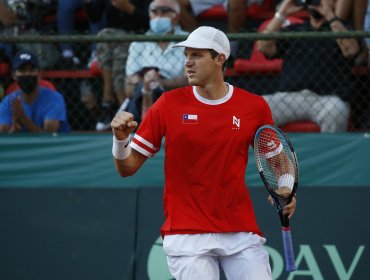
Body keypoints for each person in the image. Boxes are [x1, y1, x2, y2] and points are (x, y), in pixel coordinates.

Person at [110, 26, 297, 279]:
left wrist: (285, 190)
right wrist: (121, 140)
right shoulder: (168, 103)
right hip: (186, 234)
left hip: (239, 229)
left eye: (196, 55)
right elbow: (127, 168)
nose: (188, 62)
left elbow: (278, 161)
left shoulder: (253, 107)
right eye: (187, 55)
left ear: (220, 59)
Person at [257, 0, 363, 132]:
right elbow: (264, 47)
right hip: (290, 98)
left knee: (337, 110)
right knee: (256, 109)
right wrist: (283, 12)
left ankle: (331, 153)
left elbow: (351, 50)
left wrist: (330, 15)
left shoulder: (342, 29)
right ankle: (267, 152)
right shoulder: (295, 30)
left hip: (327, 99)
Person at [84, 0, 151, 131]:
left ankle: (107, 101)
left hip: (139, 38)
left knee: (111, 43)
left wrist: (129, 8)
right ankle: (123, 113)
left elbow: (150, 22)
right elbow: (95, 17)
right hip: (112, 41)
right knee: (107, 38)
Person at [124, 0, 188, 124]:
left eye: (164, 11)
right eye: (154, 11)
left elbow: (189, 79)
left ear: (177, 16)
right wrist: (148, 84)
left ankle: (142, 132)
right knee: (143, 91)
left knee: (149, 90)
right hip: (142, 94)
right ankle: (143, 132)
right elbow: (129, 85)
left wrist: (159, 83)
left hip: (176, 96)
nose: (158, 16)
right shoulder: (138, 44)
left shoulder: (189, 41)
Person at [0, 52, 70, 133]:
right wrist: (14, 131)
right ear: (14, 75)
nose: (27, 74)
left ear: (39, 73)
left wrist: (23, 118)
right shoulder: (9, 101)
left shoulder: (54, 98)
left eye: (31, 70)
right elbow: (3, 134)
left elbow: (50, 136)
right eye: (22, 70)